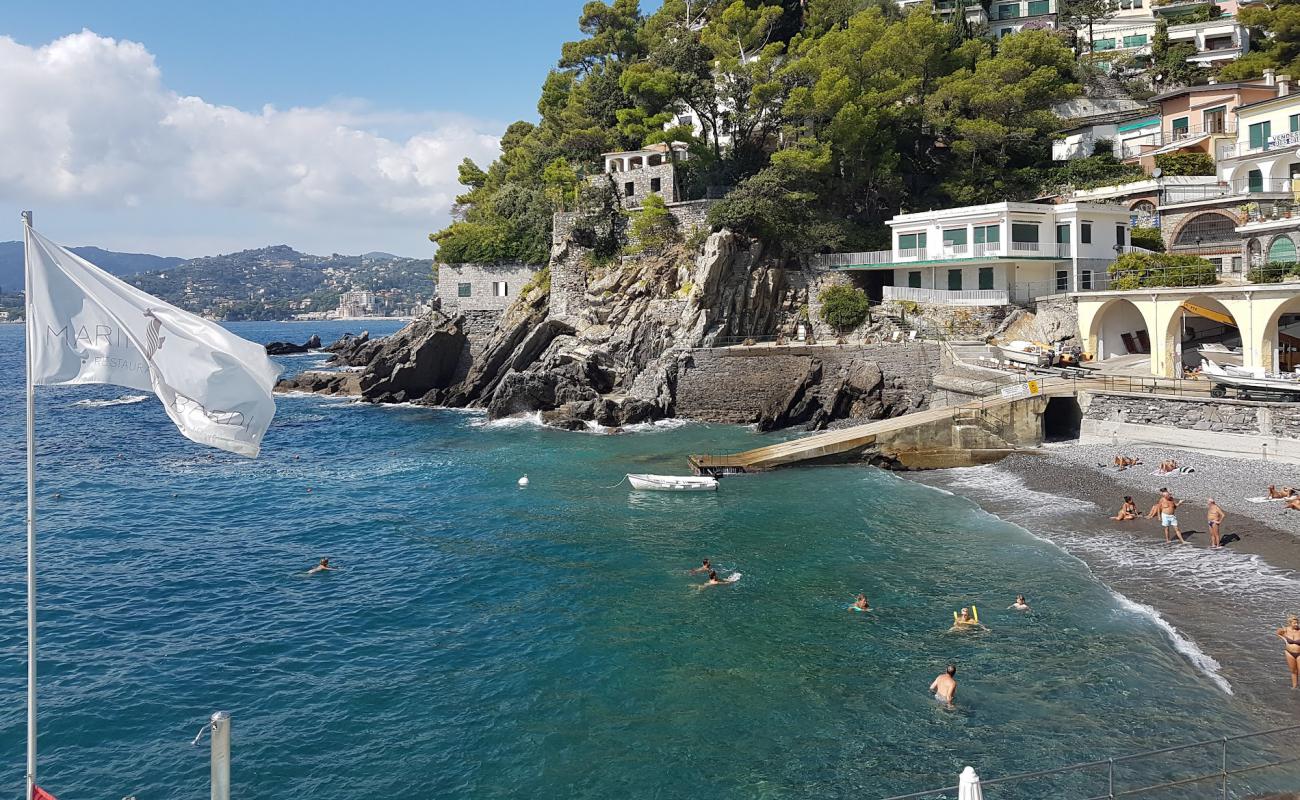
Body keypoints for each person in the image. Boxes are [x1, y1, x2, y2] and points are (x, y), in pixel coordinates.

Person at [1276, 615, 1300, 689]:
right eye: (1294, 623)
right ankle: (1294, 687)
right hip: (1289, 653)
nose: (1296, 624)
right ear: (1290, 623)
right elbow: (1278, 633)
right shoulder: (1285, 630)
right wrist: (1285, 640)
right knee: (1293, 671)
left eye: (1297, 623)